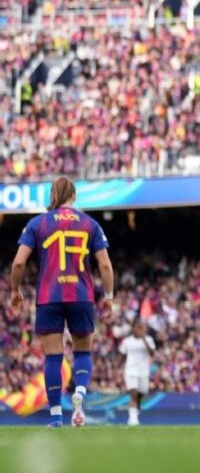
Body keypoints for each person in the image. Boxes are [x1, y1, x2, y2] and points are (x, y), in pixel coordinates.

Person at [8, 177, 114, 428]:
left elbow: (19, 262)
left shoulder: (37, 223)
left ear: (53, 196)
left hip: (49, 296)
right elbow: (106, 264)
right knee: (83, 351)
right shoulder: (90, 224)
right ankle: (80, 392)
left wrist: (15, 290)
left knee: (53, 358)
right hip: (81, 296)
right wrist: (108, 297)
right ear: (74, 196)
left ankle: (56, 416)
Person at [119, 320, 156, 425]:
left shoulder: (149, 339)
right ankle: (132, 419)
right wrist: (117, 367)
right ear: (133, 328)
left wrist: (143, 338)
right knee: (133, 394)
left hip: (143, 372)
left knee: (141, 394)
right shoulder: (127, 341)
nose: (140, 329)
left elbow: (152, 353)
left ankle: (135, 410)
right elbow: (122, 355)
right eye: (138, 327)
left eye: (142, 327)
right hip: (130, 371)